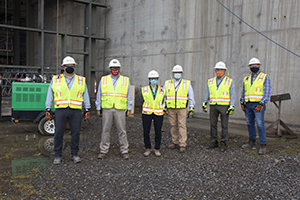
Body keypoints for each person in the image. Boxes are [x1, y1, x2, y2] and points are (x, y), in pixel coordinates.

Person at [45, 56, 91, 165]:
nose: (69, 67)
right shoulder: (56, 79)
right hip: (61, 110)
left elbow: (85, 95)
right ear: (63, 67)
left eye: (71, 66)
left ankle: (74, 154)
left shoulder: (81, 80)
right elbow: (50, 94)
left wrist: (87, 108)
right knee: (58, 133)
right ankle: (57, 155)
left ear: (74, 67)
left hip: (75, 111)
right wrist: (47, 108)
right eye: (67, 66)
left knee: (75, 133)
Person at [95, 59, 133, 160]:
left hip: (120, 109)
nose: (115, 70)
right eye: (113, 68)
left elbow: (129, 94)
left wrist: (129, 107)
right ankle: (103, 150)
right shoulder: (104, 79)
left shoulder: (125, 80)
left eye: (116, 68)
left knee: (122, 131)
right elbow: (99, 93)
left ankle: (124, 150)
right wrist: (98, 107)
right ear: (110, 69)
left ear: (119, 69)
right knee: (105, 130)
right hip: (107, 108)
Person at [202, 61, 236, 152]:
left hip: (224, 106)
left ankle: (224, 142)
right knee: (213, 124)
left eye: (221, 70)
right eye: (217, 70)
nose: (219, 71)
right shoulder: (211, 81)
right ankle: (214, 142)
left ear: (225, 71)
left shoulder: (229, 81)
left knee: (224, 125)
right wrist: (204, 102)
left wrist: (232, 105)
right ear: (215, 70)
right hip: (213, 105)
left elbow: (233, 94)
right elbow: (207, 92)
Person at [240, 57, 271, 155]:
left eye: (256, 65)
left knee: (260, 124)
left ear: (259, 66)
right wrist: (242, 102)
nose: (254, 67)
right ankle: (252, 141)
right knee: (250, 123)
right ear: (249, 67)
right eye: (252, 65)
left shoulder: (264, 77)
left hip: (258, 105)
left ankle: (262, 145)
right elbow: (244, 92)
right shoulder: (246, 78)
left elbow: (267, 92)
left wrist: (262, 103)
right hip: (248, 104)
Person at [164, 65, 195, 153]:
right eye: (175, 73)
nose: (177, 74)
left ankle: (182, 143)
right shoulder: (167, 83)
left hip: (182, 108)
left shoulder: (187, 83)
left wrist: (191, 107)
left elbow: (191, 96)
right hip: (171, 108)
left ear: (181, 73)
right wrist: (163, 107)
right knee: (173, 125)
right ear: (173, 73)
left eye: (179, 73)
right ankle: (175, 141)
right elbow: (164, 96)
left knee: (182, 125)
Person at [141, 70, 165, 157]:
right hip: (147, 113)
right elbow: (142, 101)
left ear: (158, 79)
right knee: (146, 131)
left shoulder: (162, 90)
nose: (153, 80)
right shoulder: (144, 89)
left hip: (158, 113)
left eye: (155, 78)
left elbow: (163, 101)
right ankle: (147, 148)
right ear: (149, 79)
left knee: (158, 131)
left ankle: (157, 148)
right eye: (151, 78)